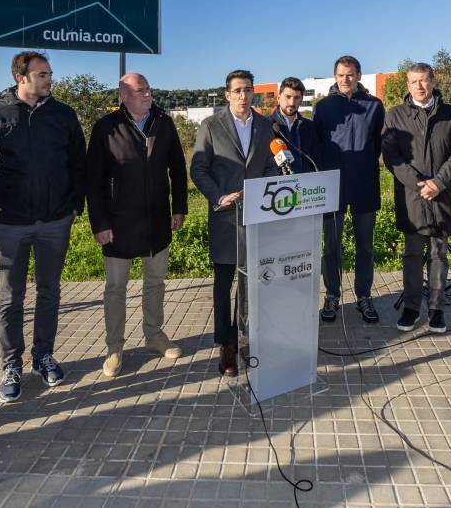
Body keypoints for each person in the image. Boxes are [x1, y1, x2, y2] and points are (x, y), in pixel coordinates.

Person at [0, 51, 86, 402]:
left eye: (50, 73)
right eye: (42, 74)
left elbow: (78, 164)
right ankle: (11, 365)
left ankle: (43, 355)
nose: (49, 79)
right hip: (8, 223)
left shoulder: (64, 115)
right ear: (21, 77)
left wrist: (72, 208)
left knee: (50, 291)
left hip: (55, 221)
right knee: (11, 298)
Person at [86, 73, 188, 378]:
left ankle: (154, 335)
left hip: (157, 221)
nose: (148, 95)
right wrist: (100, 223)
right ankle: (115, 347)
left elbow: (178, 169)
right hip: (117, 224)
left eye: (148, 90)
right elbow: (93, 180)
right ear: (124, 96)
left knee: (155, 282)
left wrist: (179, 208)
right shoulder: (107, 127)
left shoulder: (163, 122)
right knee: (116, 288)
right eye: (140, 91)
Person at [190, 69, 278, 377]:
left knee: (250, 283)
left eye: (248, 90)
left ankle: (244, 338)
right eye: (238, 90)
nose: (244, 95)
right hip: (226, 217)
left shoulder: (266, 126)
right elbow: (198, 169)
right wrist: (219, 196)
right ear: (227, 94)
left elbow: (272, 166)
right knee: (223, 283)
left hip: (256, 216)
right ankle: (226, 344)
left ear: (254, 93)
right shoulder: (211, 126)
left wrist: (261, 190)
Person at [381, 63, 451, 334]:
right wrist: (419, 184)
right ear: (407, 85)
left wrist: (439, 183)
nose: (419, 86)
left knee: (439, 254)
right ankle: (411, 308)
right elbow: (391, 155)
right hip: (412, 197)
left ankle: (436, 309)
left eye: (424, 80)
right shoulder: (395, 115)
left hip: (443, 196)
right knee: (412, 254)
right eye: (413, 81)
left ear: (433, 81)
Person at [313, 55, 385, 323]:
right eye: (341, 74)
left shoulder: (375, 106)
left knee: (365, 247)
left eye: (351, 74)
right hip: (333, 186)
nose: (346, 79)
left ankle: (364, 297)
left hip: (365, 183)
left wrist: (363, 163)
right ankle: (332, 296)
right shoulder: (322, 107)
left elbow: (378, 144)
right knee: (331, 247)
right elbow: (317, 145)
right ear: (335, 76)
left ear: (359, 76)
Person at [266, 76, 320, 174]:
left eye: (296, 98)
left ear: (301, 100)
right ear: (278, 98)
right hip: (277, 186)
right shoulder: (266, 125)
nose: (292, 102)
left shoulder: (310, 127)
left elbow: (315, 159)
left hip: (305, 185)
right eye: (288, 97)